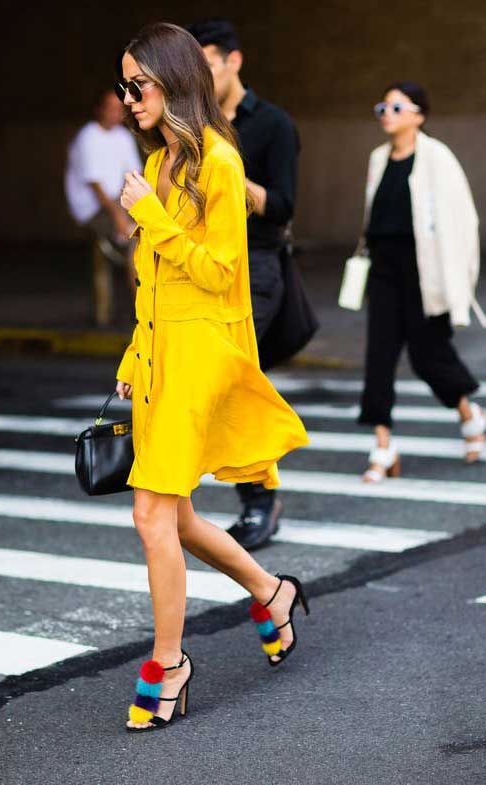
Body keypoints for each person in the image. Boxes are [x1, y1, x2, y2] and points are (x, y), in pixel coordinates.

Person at [114, 22, 310, 732]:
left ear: (173, 81)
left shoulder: (219, 163)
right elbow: (155, 282)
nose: (129, 95)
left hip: (201, 355)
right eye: (124, 84)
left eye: (139, 82)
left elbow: (219, 269)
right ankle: (271, 589)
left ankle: (169, 663)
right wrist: (135, 359)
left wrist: (153, 219)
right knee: (181, 518)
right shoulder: (163, 161)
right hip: (162, 357)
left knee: (150, 513)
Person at [187, 18, 300, 550]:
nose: (202, 73)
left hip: (256, 267)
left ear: (234, 61)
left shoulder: (272, 125)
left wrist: (233, 183)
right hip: (205, 266)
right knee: (221, 380)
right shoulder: (193, 129)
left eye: (208, 61)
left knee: (235, 379)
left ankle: (259, 500)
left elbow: (283, 206)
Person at [359, 81, 483, 482]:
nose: (387, 115)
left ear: (419, 115)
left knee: (429, 356)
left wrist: (460, 278)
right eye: (383, 108)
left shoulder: (437, 158)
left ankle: (469, 414)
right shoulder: (379, 158)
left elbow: (463, 221)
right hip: (383, 270)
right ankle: (382, 445)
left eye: (396, 108)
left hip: (423, 271)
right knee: (378, 356)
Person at [65, 88, 142, 326]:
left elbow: (133, 174)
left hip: (117, 202)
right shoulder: (88, 136)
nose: (115, 113)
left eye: (119, 108)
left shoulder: (123, 136)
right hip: (93, 208)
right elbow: (96, 186)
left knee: (145, 232)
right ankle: (141, 309)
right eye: (110, 107)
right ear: (98, 110)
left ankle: (143, 307)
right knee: (133, 240)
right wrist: (120, 218)